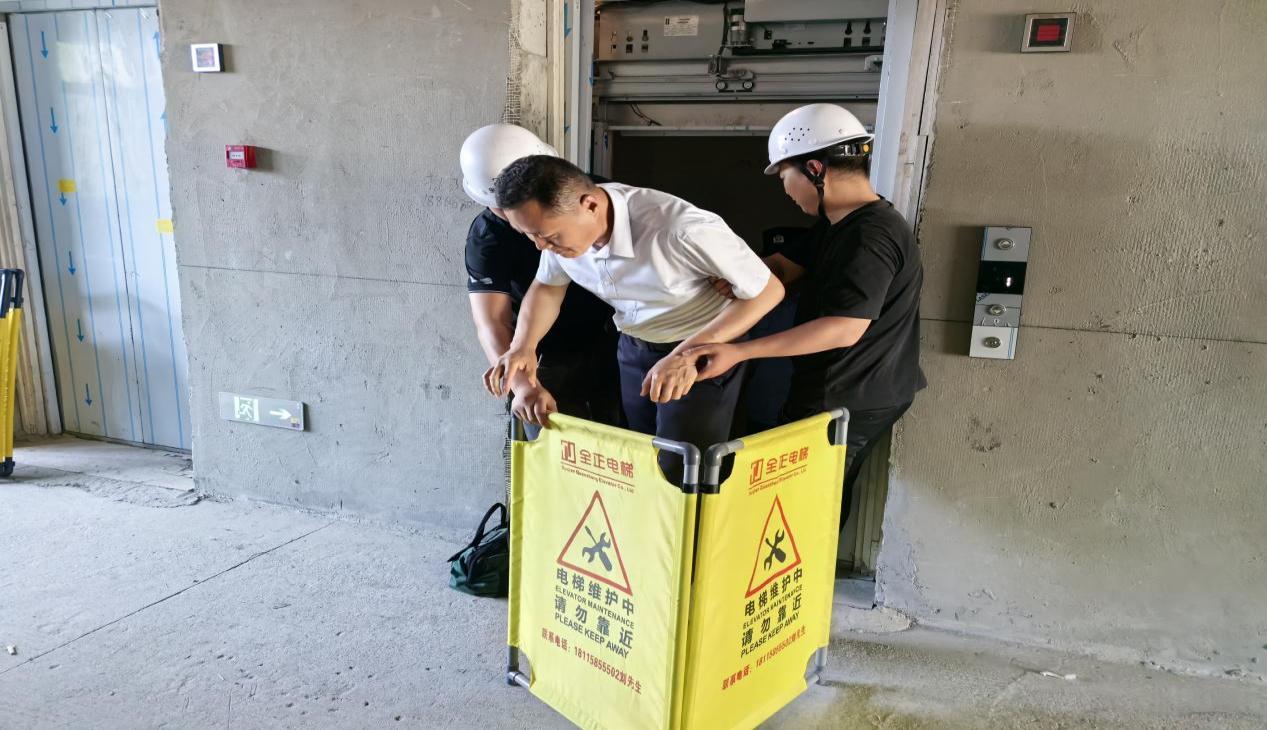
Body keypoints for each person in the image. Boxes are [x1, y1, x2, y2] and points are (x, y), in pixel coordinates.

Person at [688, 103, 925, 524]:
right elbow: (783, 267)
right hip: (848, 386)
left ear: (815, 169)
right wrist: (736, 275)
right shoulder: (840, 222)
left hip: (850, 394)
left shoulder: (871, 236)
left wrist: (739, 351)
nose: (786, 190)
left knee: (807, 507)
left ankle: (813, 567)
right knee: (803, 499)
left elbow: (843, 328)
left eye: (785, 176)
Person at [483, 155, 784, 482]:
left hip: (703, 346)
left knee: (681, 469)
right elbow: (547, 286)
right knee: (642, 458)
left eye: (549, 236)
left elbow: (768, 291)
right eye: (530, 236)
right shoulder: (559, 236)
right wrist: (524, 345)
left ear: (590, 206)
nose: (541, 246)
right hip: (635, 345)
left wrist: (687, 354)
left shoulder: (679, 228)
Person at [459, 124, 621, 430]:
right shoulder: (488, 237)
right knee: (552, 440)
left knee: (628, 439)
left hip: (619, 335)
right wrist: (522, 385)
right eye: (504, 207)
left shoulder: (599, 197)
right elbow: (492, 321)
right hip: (541, 350)